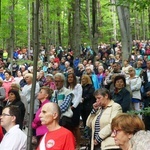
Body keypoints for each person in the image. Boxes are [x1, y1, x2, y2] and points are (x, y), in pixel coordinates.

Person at [66, 73, 82, 149]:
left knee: (76, 126)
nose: (70, 78)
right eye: (68, 77)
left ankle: (78, 144)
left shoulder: (78, 86)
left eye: (71, 77)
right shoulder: (67, 87)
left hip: (76, 106)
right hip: (68, 106)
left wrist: (73, 106)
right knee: (70, 126)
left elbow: (79, 97)